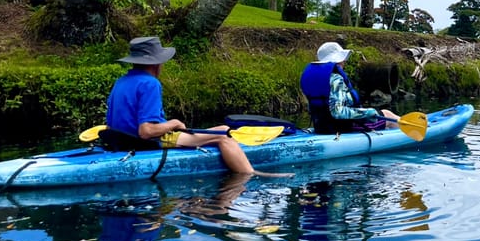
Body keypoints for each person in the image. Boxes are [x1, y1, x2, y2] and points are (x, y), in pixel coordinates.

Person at [105, 36, 292, 177]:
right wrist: (174, 123)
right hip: (147, 142)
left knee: (222, 130)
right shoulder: (150, 83)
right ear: (156, 63)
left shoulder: (121, 81)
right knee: (224, 135)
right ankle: (250, 175)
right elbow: (146, 131)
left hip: (121, 141)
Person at [300, 41, 401, 134]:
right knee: (388, 116)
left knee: (384, 114)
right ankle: (412, 136)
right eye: (341, 59)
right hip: (343, 126)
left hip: (321, 125)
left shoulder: (317, 77)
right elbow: (338, 112)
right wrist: (368, 112)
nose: (344, 61)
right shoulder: (336, 79)